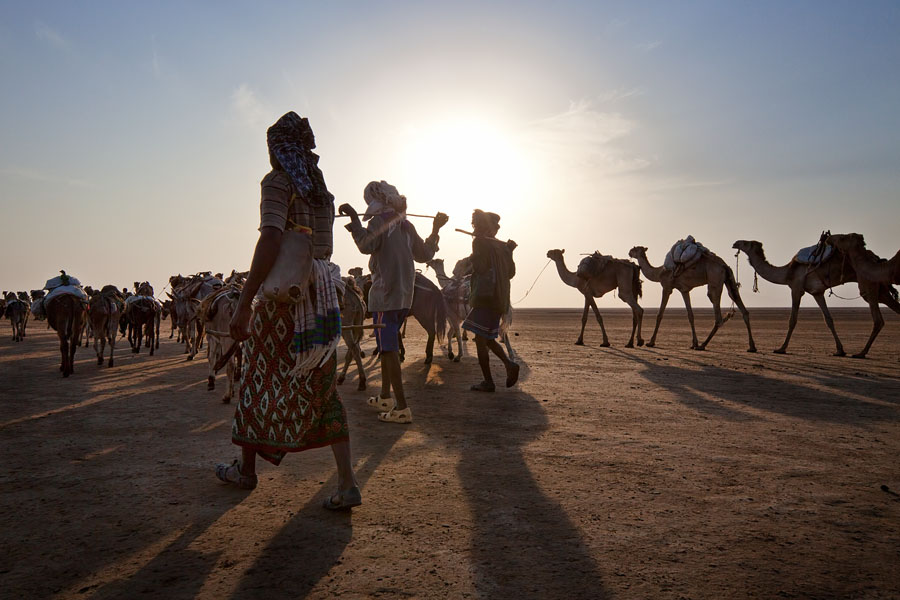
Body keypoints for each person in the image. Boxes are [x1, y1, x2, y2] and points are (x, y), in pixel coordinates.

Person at [215, 111, 360, 510]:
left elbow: (271, 239)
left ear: (278, 148)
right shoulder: (322, 192)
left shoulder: (278, 181)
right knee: (323, 389)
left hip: (284, 304)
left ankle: (245, 472)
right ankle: (347, 482)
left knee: (256, 381)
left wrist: (245, 302)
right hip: (323, 301)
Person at [339, 182, 448, 424]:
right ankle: (385, 396)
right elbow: (425, 255)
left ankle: (401, 408)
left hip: (385, 297)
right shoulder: (406, 225)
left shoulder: (379, 221)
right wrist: (435, 228)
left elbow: (366, 245)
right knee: (387, 346)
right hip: (403, 297)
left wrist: (355, 222)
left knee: (388, 351)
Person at [461, 209, 519, 392]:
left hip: (485, 298)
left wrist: (473, 257)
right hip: (499, 299)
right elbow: (510, 273)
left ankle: (492, 379)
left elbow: (481, 267)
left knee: (481, 340)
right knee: (485, 338)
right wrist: (510, 252)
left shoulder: (479, 243)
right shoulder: (503, 247)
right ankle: (506, 367)